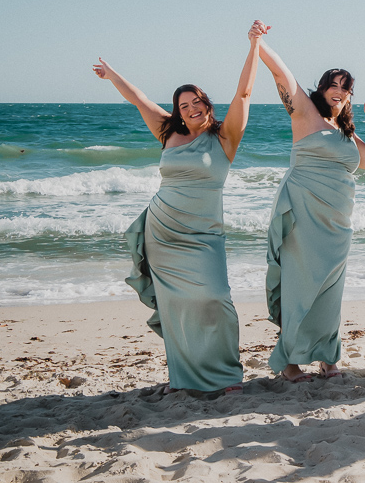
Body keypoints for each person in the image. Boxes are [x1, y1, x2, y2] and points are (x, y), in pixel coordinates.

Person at [92, 23, 262, 395]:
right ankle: (183, 377)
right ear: (178, 112)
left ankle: (226, 374)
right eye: (183, 106)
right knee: (176, 305)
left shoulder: (225, 137)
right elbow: (139, 99)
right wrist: (112, 75)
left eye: (196, 102)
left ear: (207, 104)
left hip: (204, 234)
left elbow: (244, 93)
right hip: (162, 229)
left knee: (215, 297)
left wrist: (254, 46)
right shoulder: (169, 132)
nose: (191, 109)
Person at [254, 20, 365, 382]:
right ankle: (289, 362)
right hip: (303, 215)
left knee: (330, 292)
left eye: (346, 88)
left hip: (337, 223)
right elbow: (281, 74)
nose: (339, 92)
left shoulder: (345, 132)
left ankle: (328, 358)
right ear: (322, 88)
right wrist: (258, 42)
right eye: (333, 85)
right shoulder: (305, 113)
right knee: (299, 287)